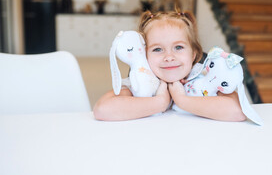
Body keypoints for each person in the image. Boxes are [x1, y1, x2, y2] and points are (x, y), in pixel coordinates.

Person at [93, 10, 246, 122]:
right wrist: (160, 102)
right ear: (144, 56)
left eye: (178, 47)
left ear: (193, 54)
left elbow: (238, 111)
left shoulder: (204, 77)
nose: (169, 57)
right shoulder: (142, 83)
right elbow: (102, 109)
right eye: (157, 49)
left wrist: (181, 100)